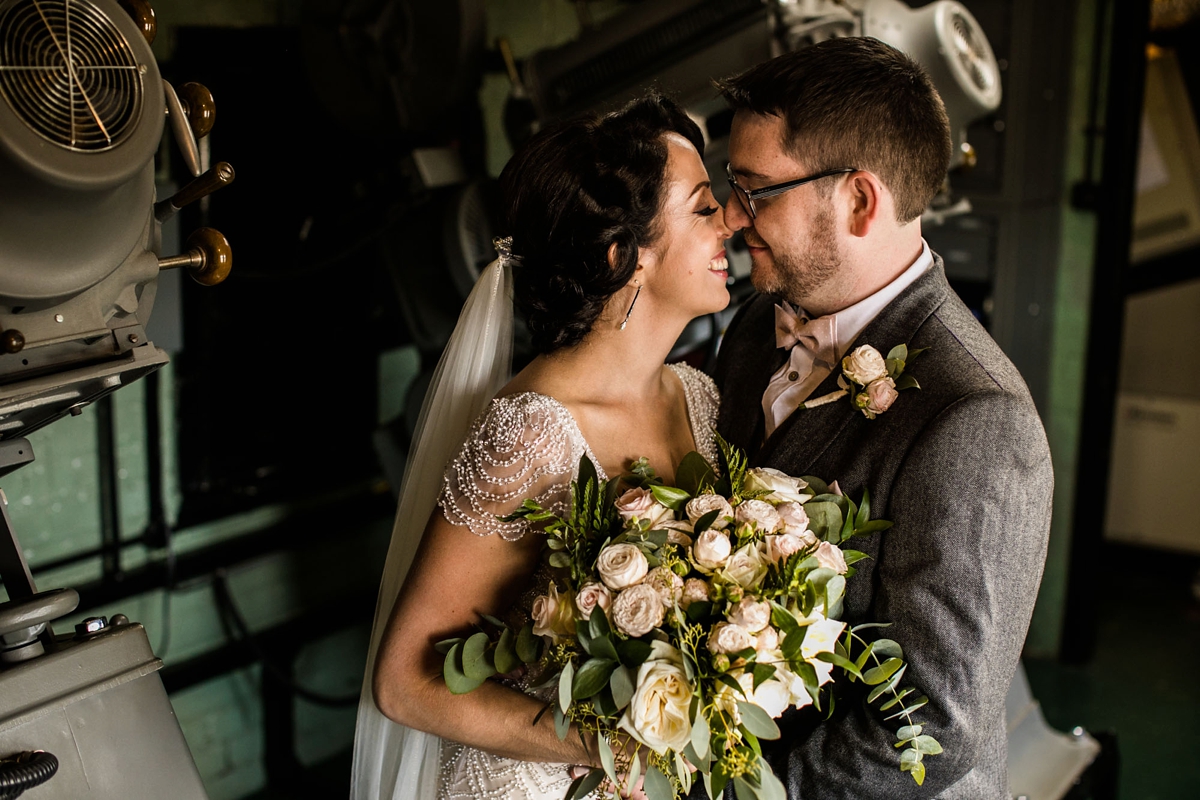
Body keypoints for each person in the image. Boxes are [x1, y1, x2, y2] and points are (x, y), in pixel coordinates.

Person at [351, 93, 733, 800]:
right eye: (706, 207)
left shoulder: (698, 397)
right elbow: (404, 684)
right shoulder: (532, 432)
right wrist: (609, 744)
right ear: (626, 255)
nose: (731, 222)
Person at [709, 37, 1052, 799]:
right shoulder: (749, 326)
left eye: (757, 189)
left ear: (860, 200)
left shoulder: (978, 419)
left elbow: (928, 724)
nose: (732, 217)